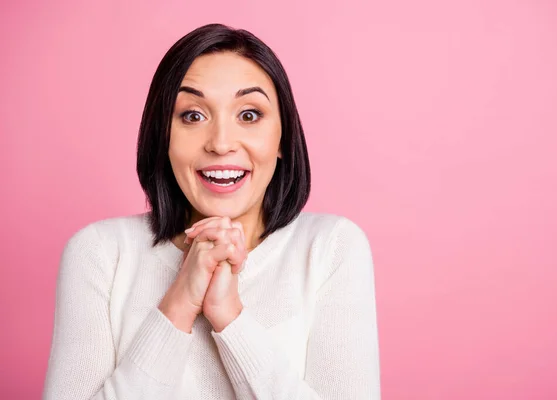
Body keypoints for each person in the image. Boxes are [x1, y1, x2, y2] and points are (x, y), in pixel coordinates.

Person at [42, 23, 380, 399]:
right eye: (193, 115)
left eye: (249, 115)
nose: (220, 144)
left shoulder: (331, 248)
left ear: (282, 137)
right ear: (163, 137)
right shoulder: (99, 253)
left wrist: (230, 317)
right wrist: (179, 305)